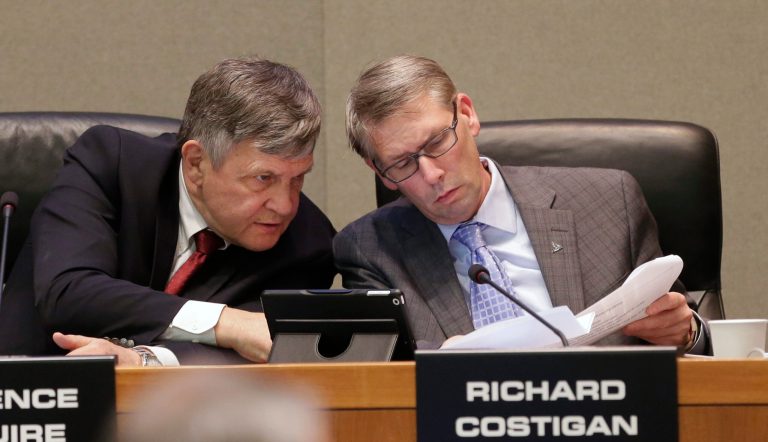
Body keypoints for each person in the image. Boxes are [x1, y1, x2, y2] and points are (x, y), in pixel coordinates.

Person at [334, 54, 708, 353]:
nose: (431, 174)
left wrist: (685, 331)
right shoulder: (370, 250)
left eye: (436, 144)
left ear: (466, 114)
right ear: (378, 171)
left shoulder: (609, 202)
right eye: (402, 163)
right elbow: (383, 364)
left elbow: (687, 328)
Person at [0, 57, 336, 365]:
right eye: (264, 178)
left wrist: (144, 361)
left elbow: (254, 353)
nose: (285, 205)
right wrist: (224, 321)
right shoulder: (110, 166)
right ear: (196, 163)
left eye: (298, 179)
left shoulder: (308, 243)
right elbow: (70, 293)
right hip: (28, 397)